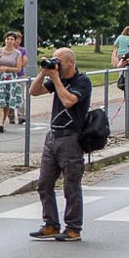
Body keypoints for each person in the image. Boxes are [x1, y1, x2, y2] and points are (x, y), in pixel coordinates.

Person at [29, 47, 92, 241]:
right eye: (54, 60)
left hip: (71, 138)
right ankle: (51, 224)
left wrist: (56, 79)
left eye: (59, 61)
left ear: (70, 63)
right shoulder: (56, 78)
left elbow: (68, 101)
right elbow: (33, 91)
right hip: (53, 136)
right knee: (44, 183)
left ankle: (73, 228)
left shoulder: (82, 81)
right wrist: (44, 71)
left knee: (71, 185)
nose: (56, 64)